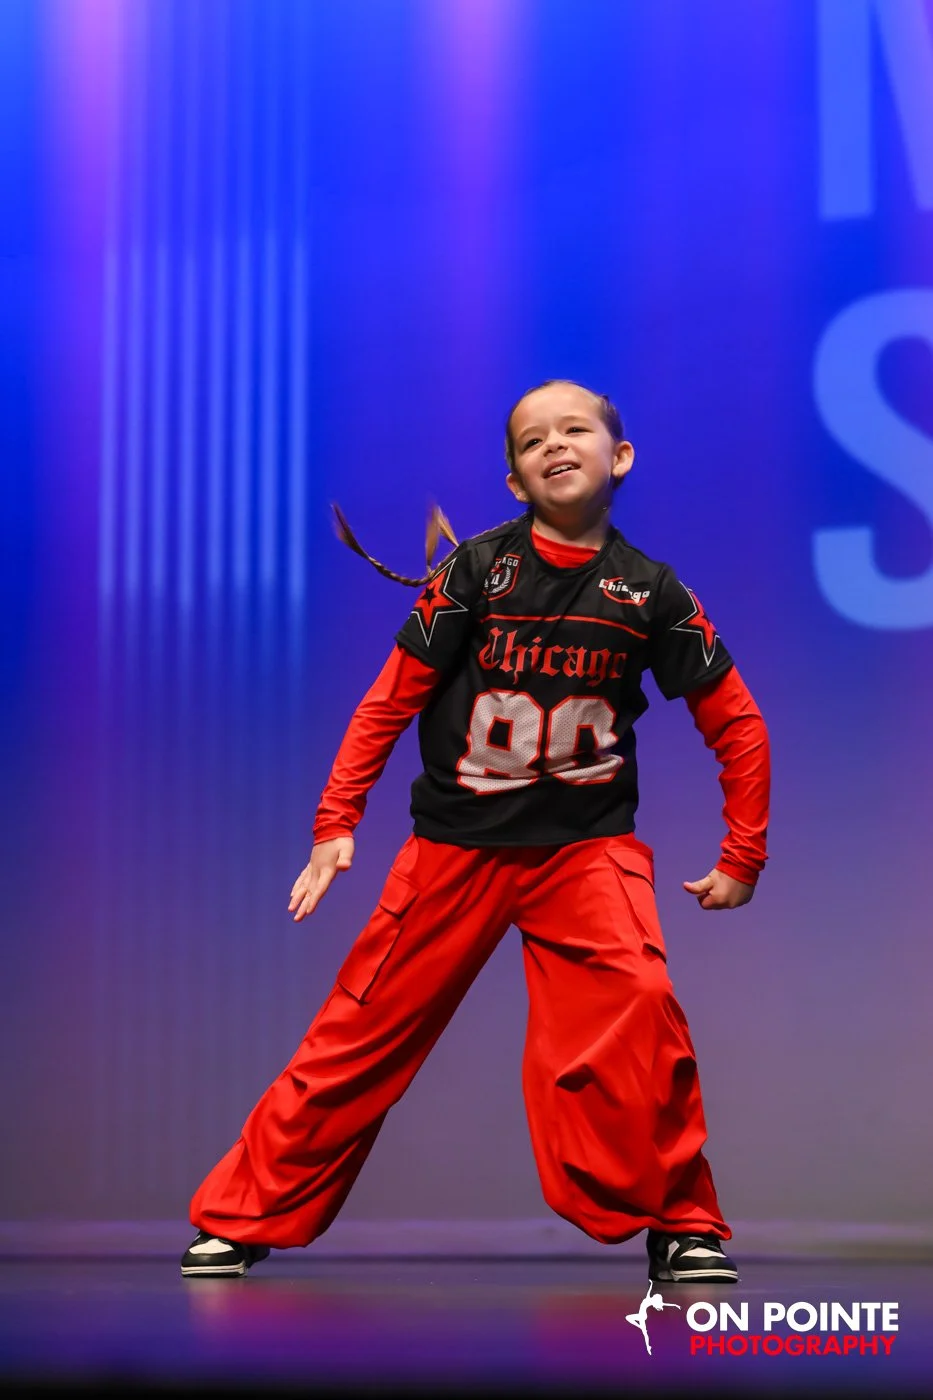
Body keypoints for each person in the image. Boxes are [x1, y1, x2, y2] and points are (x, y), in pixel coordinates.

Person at [180, 378, 770, 1283]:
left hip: (585, 852)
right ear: (513, 481)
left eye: (576, 430)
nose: (555, 445)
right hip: (454, 851)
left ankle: (682, 1224)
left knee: (644, 1017)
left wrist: (742, 852)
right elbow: (387, 705)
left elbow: (736, 723)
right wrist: (336, 824)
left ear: (620, 458)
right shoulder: (475, 573)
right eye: (533, 440)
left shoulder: (650, 592)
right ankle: (240, 1216)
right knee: (356, 1035)